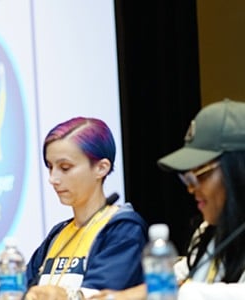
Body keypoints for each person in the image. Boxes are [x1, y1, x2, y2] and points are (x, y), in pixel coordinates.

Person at [0, 117, 148, 300]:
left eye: (65, 167)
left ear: (101, 168)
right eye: (50, 167)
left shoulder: (122, 228)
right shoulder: (59, 234)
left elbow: (100, 295)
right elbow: (12, 294)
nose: (53, 178)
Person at [91, 98, 245, 300]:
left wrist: (183, 292)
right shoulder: (209, 233)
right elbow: (176, 276)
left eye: (201, 175)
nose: (191, 188)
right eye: (188, 177)